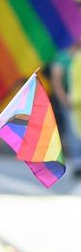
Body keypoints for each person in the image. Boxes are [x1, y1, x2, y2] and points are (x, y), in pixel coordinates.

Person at [48, 44, 81, 177]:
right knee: (73, 132)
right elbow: (56, 80)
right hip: (72, 102)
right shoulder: (63, 57)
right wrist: (64, 100)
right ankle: (78, 162)